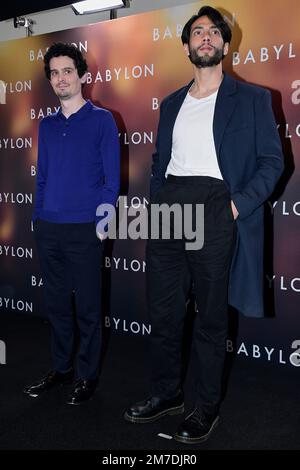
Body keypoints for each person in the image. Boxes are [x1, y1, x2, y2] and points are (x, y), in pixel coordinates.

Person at [124, 6, 283, 443]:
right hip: (168, 209)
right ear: (187, 45)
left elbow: (273, 162)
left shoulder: (253, 99)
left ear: (226, 45)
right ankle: (165, 393)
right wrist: (158, 201)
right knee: (163, 311)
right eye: (198, 32)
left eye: (214, 31)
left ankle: (205, 407)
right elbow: (160, 162)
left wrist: (234, 207)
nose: (206, 37)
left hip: (216, 206)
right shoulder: (172, 102)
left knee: (211, 319)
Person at [24, 43, 120, 405]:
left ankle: (86, 375)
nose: (60, 78)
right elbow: (43, 177)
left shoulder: (102, 120)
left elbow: (112, 181)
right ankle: (62, 369)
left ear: (82, 75)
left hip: (85, 230)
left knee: (90, 310)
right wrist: (38, 218)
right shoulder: (46, 125)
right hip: (49, 227)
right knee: (58, 306)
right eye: (54, 73)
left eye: (67, 71)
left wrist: (99, 226)